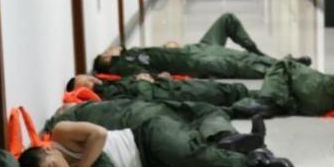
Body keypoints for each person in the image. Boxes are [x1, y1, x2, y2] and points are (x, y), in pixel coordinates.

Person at [29, 99, 294, 167]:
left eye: (51, 166)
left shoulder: (60, 134)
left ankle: (250, 153)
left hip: (146, 138)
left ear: (47, 150)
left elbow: (98, 134)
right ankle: (252, 161)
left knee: (188, 155)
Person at [92, 13, 298, 79]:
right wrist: (160, 75)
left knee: (227, 20)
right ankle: (286, 67)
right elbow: (144, 76)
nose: (113, 47)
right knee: (239, 62)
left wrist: (167, 47)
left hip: (194, 49)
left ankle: (265, 56)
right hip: (195, 61)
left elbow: (153, 59)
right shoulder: (122, 64)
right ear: (108, 59)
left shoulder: (131, 54)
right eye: (109, 50)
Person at [67, 71, 251, 107]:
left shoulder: (108, 84)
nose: (91, 78)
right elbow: (140, 101)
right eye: (86, 79)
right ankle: (263, 101)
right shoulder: (108, 95)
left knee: (225, 91)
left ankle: (258, 98)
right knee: (226, 94)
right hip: (170, 95)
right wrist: (145, 82)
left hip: (169, 87)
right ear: (84, 87)